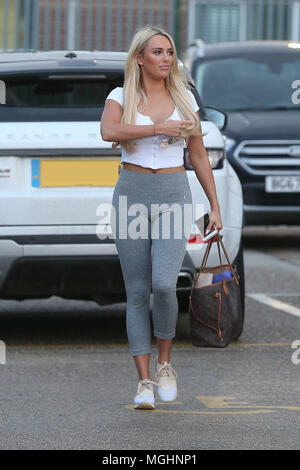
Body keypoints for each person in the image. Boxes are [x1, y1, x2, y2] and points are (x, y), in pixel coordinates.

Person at [100, 25, 222, 410]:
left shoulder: (185, 97)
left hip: (174, 195)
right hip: (132, 195)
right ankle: (143, 382)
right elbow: (108, 131)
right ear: (140, 58)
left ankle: (166, 362)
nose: (165, 59)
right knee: (137, 292)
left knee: (165, 286)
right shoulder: (120, 96)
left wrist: (214, 206)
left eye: (169, 52)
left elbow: (199, 156)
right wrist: (157, 128)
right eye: (157, 52)